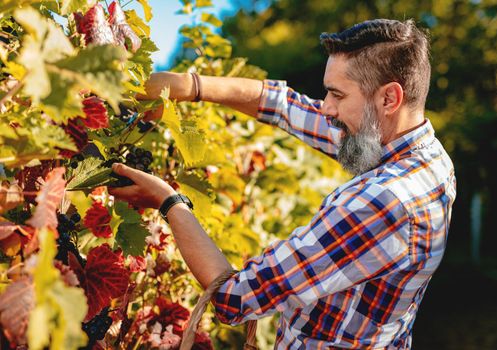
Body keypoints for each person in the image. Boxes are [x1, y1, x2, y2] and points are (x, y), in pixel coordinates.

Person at [109, 19, 456, 349]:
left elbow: (235, 296)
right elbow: (281, 105)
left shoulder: (382, 203)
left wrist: (169, 203)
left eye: (337, 95)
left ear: (388, 99)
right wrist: (190, 87)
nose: (326, 108)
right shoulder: (424, 156)